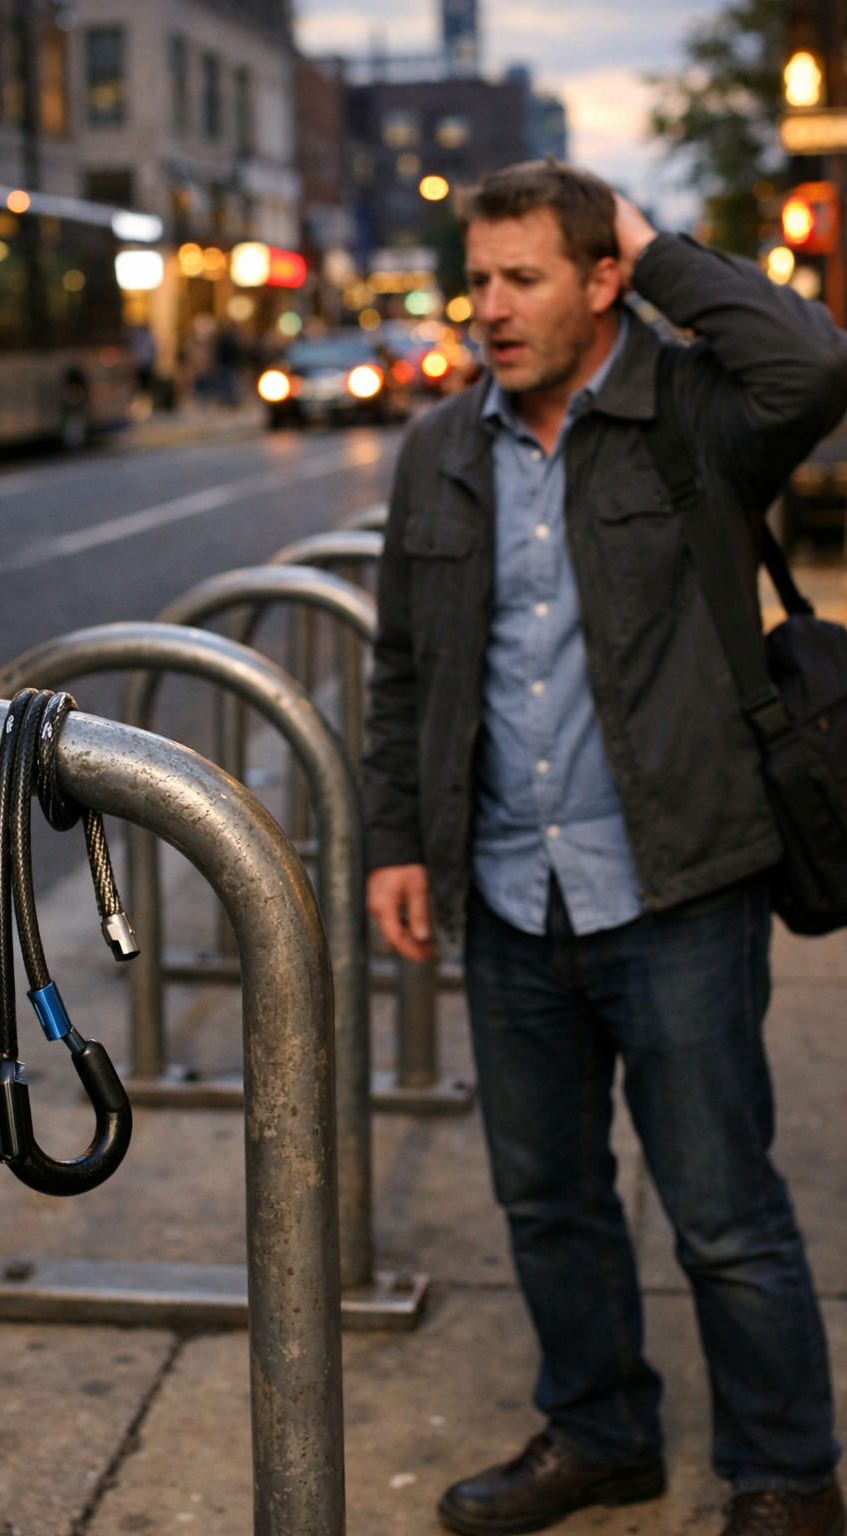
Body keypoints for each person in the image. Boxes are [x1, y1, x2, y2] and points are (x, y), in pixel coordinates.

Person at [361, 160, 847, 1536]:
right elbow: (404, 670)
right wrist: (399, 838)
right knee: (548, 1199)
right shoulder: (440, 452)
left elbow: (812, 364)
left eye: (526, 278)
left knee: (722, 1209)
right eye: (481, 280)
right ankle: (601, 1434)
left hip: (679, 881)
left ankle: (788, 1475)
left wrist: (653, 236)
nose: (493, 310)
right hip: (512, 896)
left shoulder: (687, 416)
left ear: (600, 280)